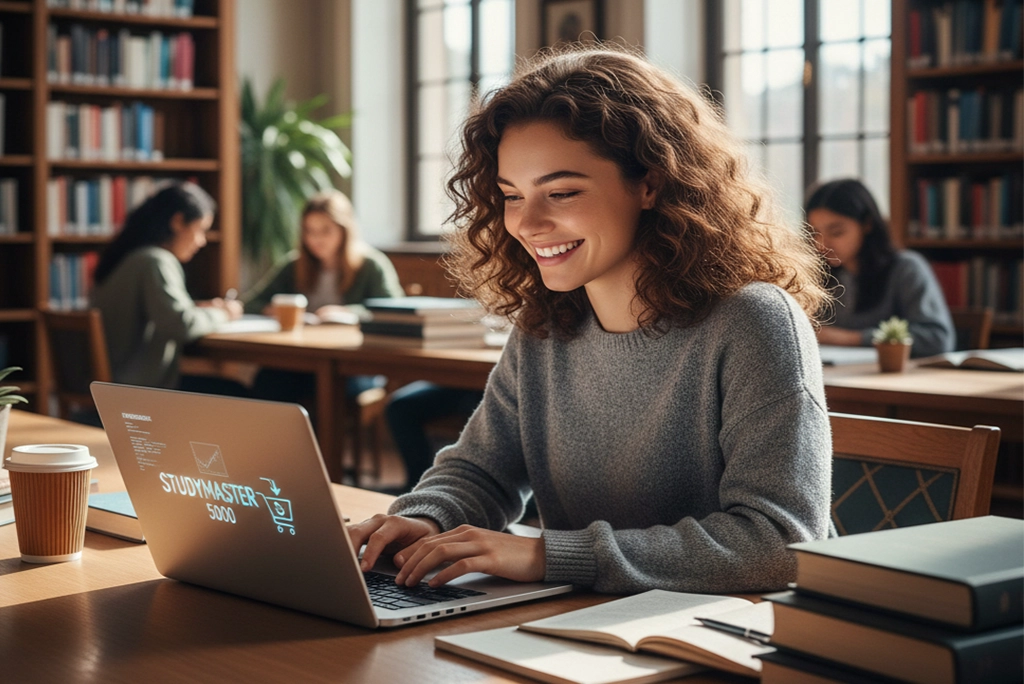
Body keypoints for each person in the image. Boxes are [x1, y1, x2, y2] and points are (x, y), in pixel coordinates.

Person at [348, 46, 834, 596]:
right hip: (581, 626)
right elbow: (482, 469)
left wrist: (548, 554)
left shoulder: (754, 322)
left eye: (561, 192)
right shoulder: (546, 325)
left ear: (650, 182)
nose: (527, 223)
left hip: (728, 643)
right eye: (512, 195)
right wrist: (426, 518)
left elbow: (779, 543)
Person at [243, 190, 405, 408]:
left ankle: (317, 443)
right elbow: (250, 302)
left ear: (344, 231)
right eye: (310, 231)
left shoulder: (371, 265)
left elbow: (394, 310)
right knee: (268, 380)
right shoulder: (294, 264)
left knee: (325, 388)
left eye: (325, 231)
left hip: (354, 363)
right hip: (302, 359)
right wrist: (270, 309)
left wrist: (348, 312)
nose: (316, 239)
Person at [91, 182, 245, 393]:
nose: (201, 242)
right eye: (200, 230)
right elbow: (181, 325)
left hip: (113, 384)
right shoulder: (156, 261)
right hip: (137, 391)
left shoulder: (125, 257)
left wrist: (198, 308)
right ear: (178, 221)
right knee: (239, 393)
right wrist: (223, 313)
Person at [805, 178, 955, 358]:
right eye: (815, 233)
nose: (822, 244)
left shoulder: (905, 269)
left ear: (867, 224)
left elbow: (937, 339)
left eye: (837, 232)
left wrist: (850, 338)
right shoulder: (816, 273)